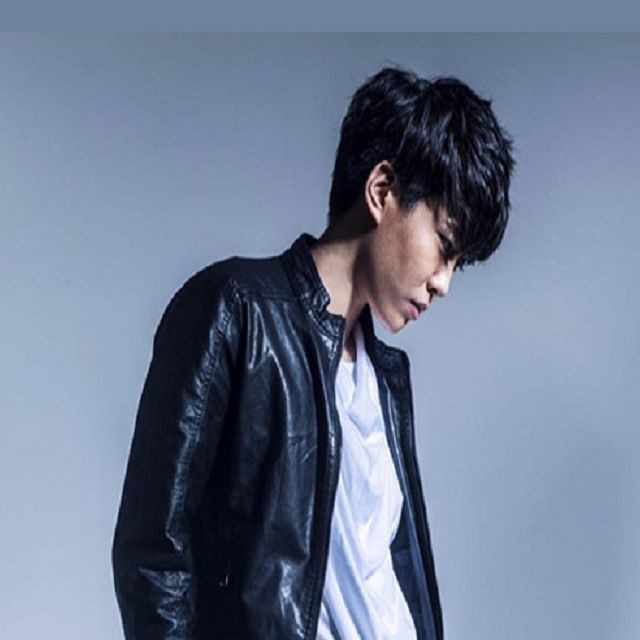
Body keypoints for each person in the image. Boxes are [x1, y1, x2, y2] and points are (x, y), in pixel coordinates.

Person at [111, 65, 515, 640]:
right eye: (444, 247)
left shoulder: (385, 379)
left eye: (458, 265)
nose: (443, 282)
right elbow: (152, 554)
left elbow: (383, 578)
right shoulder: (235, 311)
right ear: (382, 191)